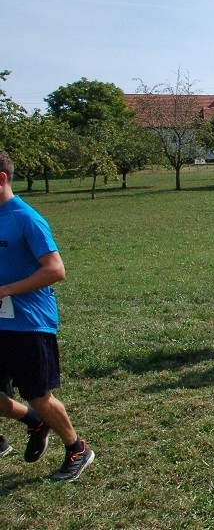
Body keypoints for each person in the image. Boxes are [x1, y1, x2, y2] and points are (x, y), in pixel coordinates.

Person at [0, 148, 95, 481]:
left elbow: (56, 270)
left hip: (30, 323)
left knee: (39, 395)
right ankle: (31, 421)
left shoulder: (26, 218)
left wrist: (5, 290)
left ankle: (77, 448)